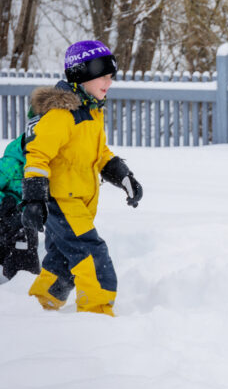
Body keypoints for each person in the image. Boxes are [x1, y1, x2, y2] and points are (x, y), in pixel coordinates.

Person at [20, 40, 143, 315]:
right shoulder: (61, 116)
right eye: (103, 76)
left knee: (63, 260)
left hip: (80, 202)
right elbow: (37, 155)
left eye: (111, 77)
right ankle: (97, 314)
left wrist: (124, 176)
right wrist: (34, 198)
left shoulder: (91, 112)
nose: (108, 83)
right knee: (92, 256)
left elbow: (99, 154)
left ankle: (41, 306)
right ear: (82, 75)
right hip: (63, 202)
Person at [0, 133, 40, 281]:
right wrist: (5, 202)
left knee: (27, 262)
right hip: (5, 218)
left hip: (27, 221)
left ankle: (23, 280)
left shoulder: (42, 166)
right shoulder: (11, 164)